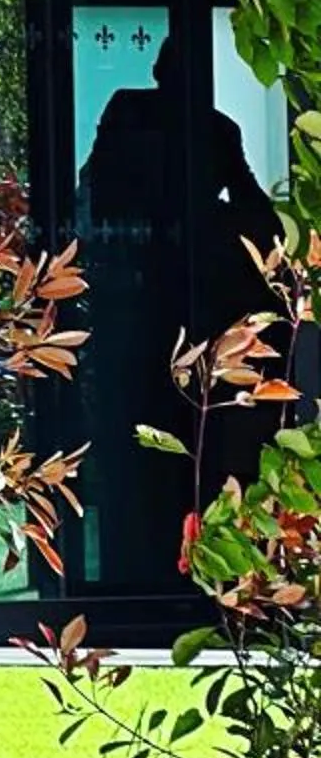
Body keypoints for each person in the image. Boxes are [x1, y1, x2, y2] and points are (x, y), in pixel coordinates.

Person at [77, 32, 278, 582]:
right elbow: (95, 185)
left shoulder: (214, 128)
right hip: (139, 287)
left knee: (189, 425)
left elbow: (250, 200)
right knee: (142, 424)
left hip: (193, 295)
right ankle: (140, 556)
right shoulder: (132, 110)